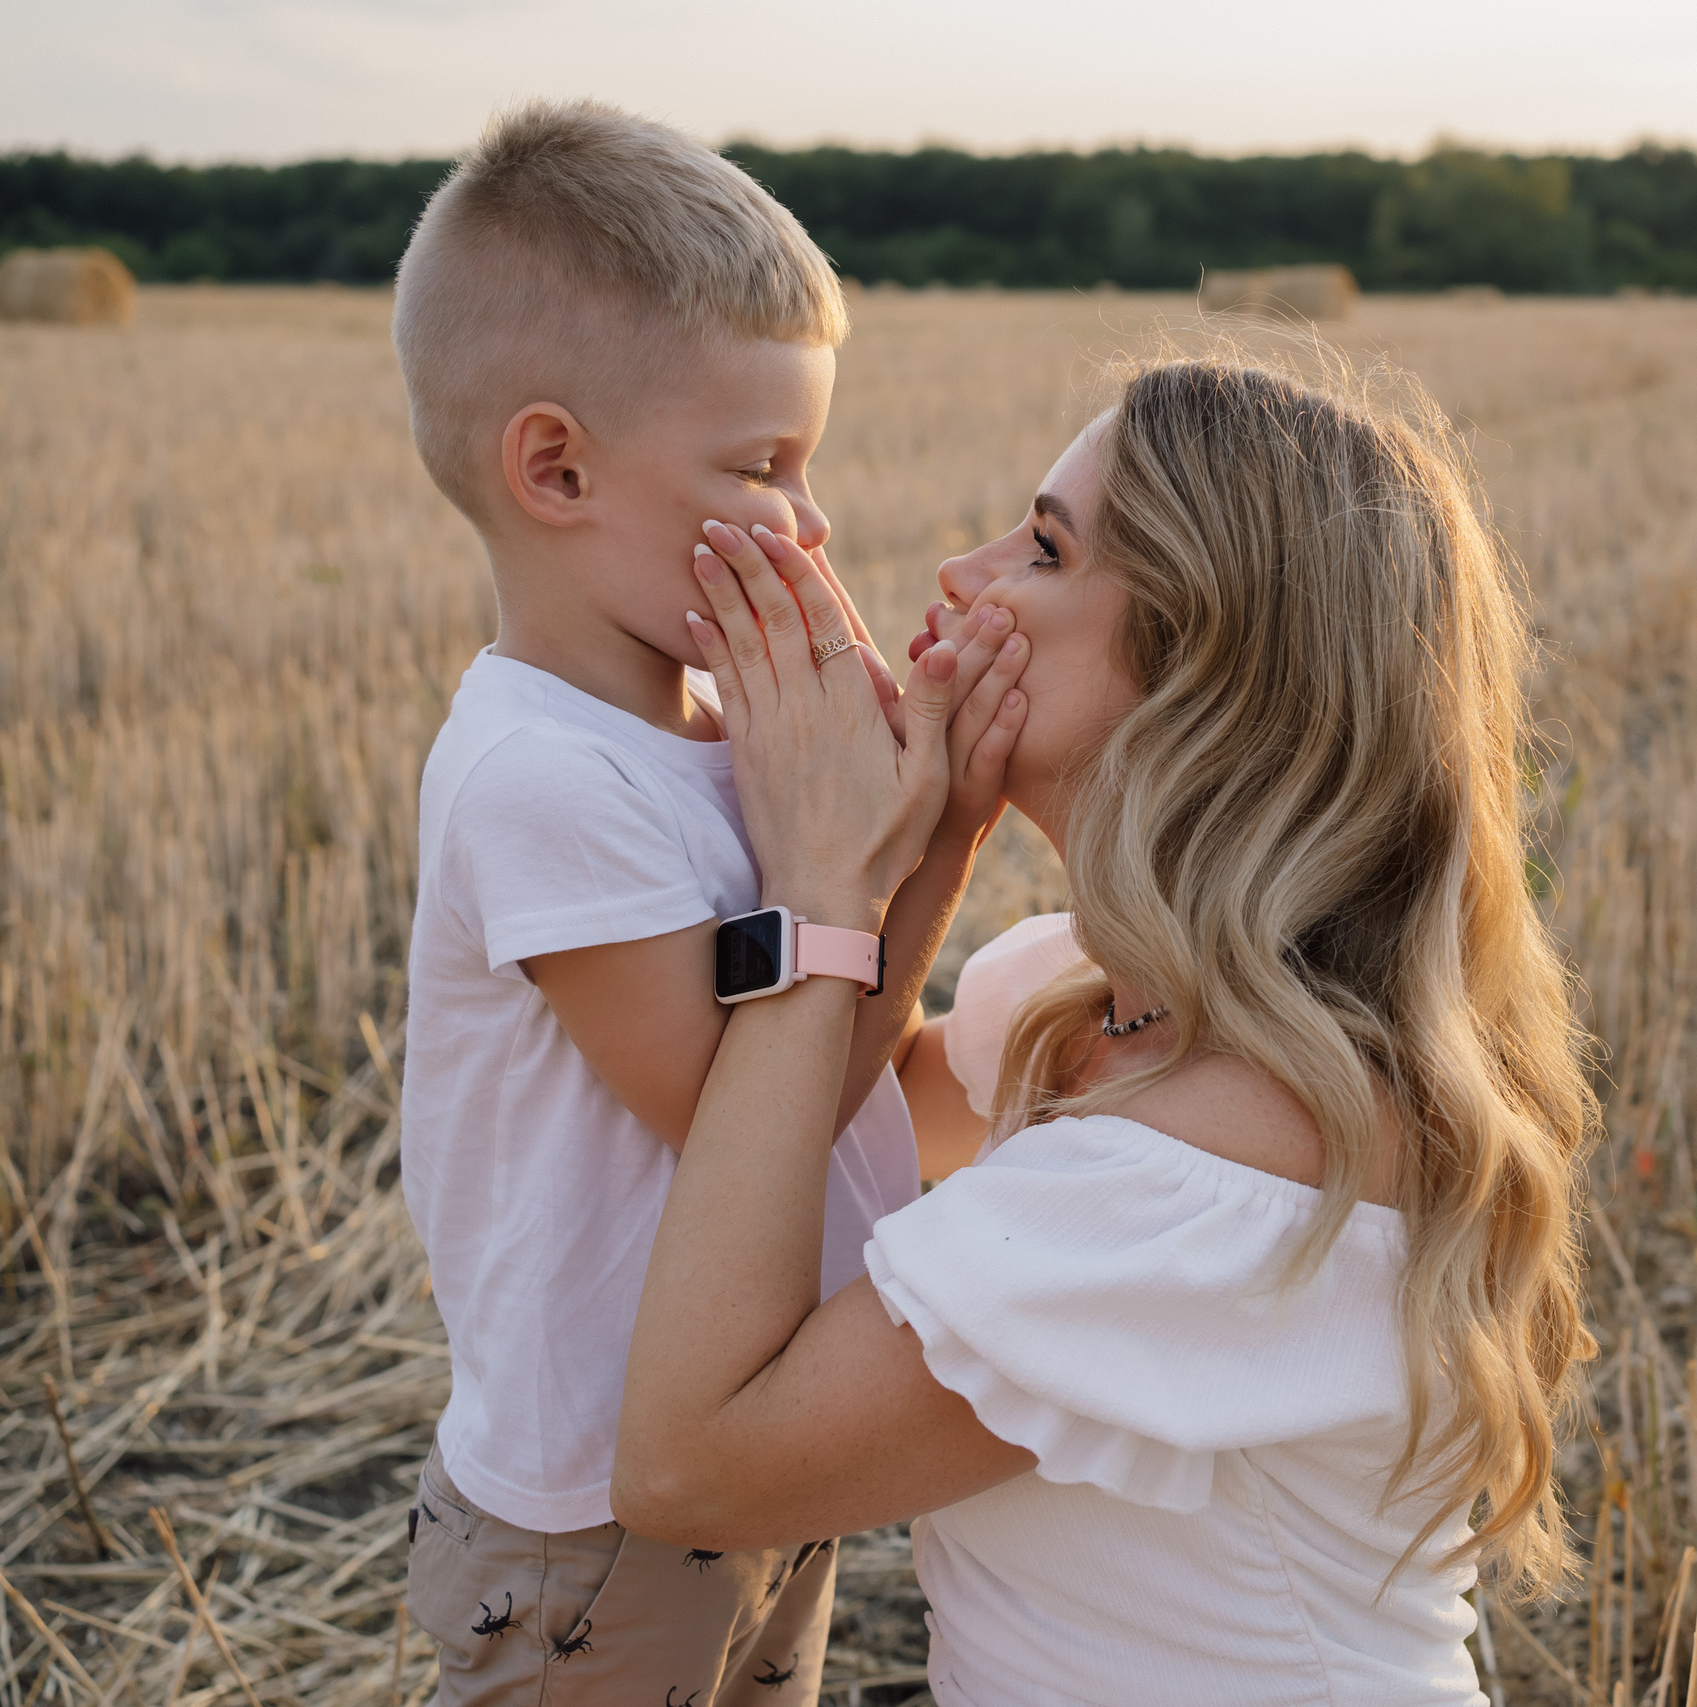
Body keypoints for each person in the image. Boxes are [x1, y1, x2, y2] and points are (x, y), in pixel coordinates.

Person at [616, 353, 1598, 1704]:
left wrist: (822, 892)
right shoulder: (1098, 1011)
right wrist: (930, 850)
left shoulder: (1221, 1170)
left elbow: (689, 1467)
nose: (962, 575)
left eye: (1042, 546)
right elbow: (839, 1113)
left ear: (1207, 675)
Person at [389, 99, 1028, 1704]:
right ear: (557, 467)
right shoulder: (543, 783)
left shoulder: (713, 750)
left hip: (738, 1443)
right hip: (588, 1524)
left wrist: (932, 836)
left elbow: (825, 1068)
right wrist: (863, 856)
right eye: (762, 466)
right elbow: (746, 1107)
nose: (808, 523)